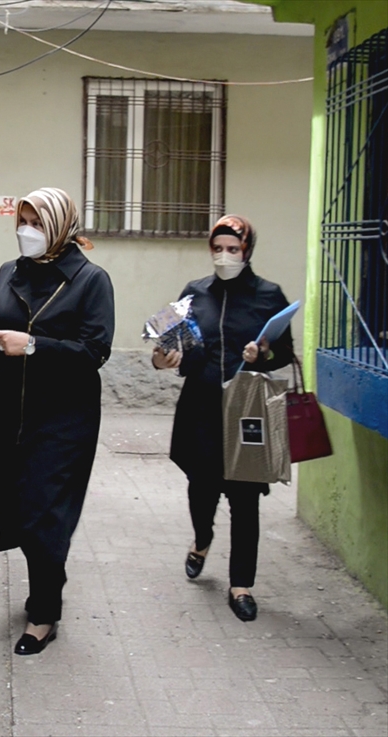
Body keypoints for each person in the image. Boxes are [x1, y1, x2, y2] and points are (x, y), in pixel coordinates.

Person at [0, 187, 115, 656]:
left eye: (37, 223)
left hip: (63, 420)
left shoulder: (90, 280)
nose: (27, 232)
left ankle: (43, 613)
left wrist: (35, 345)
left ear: (60, 226)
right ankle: (47, 582)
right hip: (5, 414)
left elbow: (94, 351)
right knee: (18, 510)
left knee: (45, 515)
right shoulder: (7, 273)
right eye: (22, 221)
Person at [151, 215, 293, 622]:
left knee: (246, 499)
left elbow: (284, 353)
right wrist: (162, 359)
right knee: (201, 488)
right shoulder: (193, 293)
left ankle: (241, 585)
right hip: (201, 407)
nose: (225, 256)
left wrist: (261, 355)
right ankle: (202, 539)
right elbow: (165, 346)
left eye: (233, 249)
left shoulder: (270, 295)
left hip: (247, 408)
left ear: (247, 250)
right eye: (218, 249)